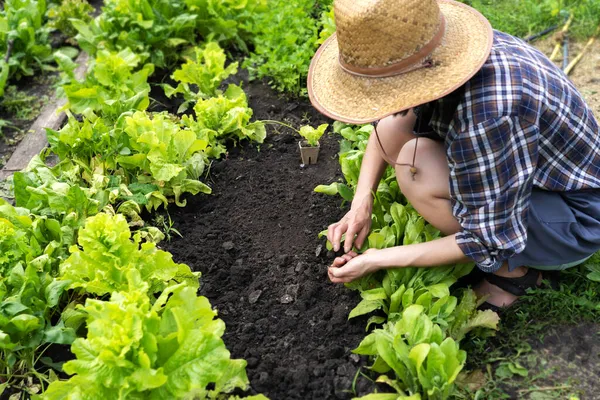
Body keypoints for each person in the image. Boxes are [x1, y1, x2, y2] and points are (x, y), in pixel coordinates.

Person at [306, 0, 600, 309]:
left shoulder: (486, 116)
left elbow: (487, 236)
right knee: (396, 131)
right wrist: (361, 203)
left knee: (415, 170)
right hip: (536, 176)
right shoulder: (447, 52)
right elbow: (387, 130)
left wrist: (377, 260)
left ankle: (513, 276)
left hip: (575, 220)